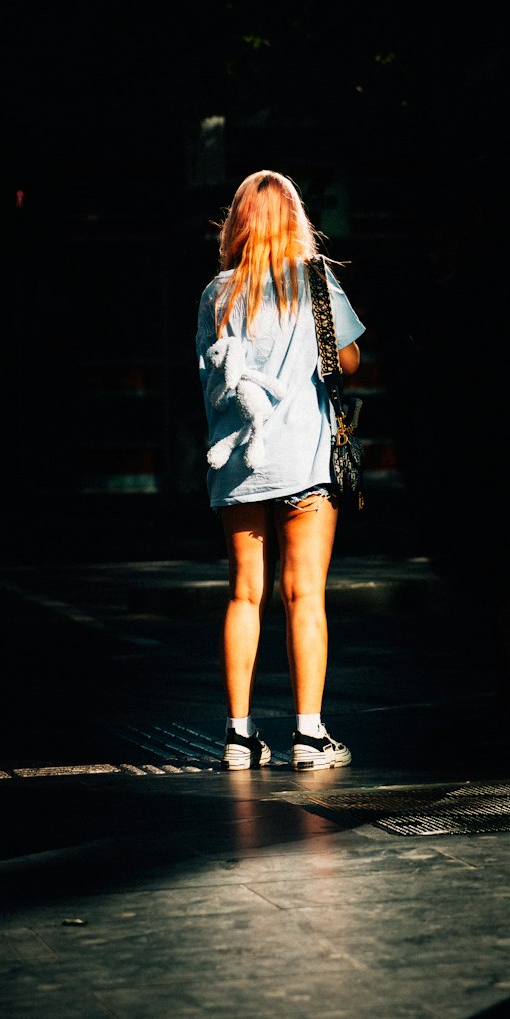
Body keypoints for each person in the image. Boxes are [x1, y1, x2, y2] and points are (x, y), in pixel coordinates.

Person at [195, 170, 365, 770]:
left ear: (237, 224)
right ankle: (309, 735)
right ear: (297, 219)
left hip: (239, 461)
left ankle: (238, 736)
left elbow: (212, 377)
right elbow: (347, 359)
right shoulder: (316, 280)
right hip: (304, 456)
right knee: (304, 594)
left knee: (245, 593)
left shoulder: (218, 294)